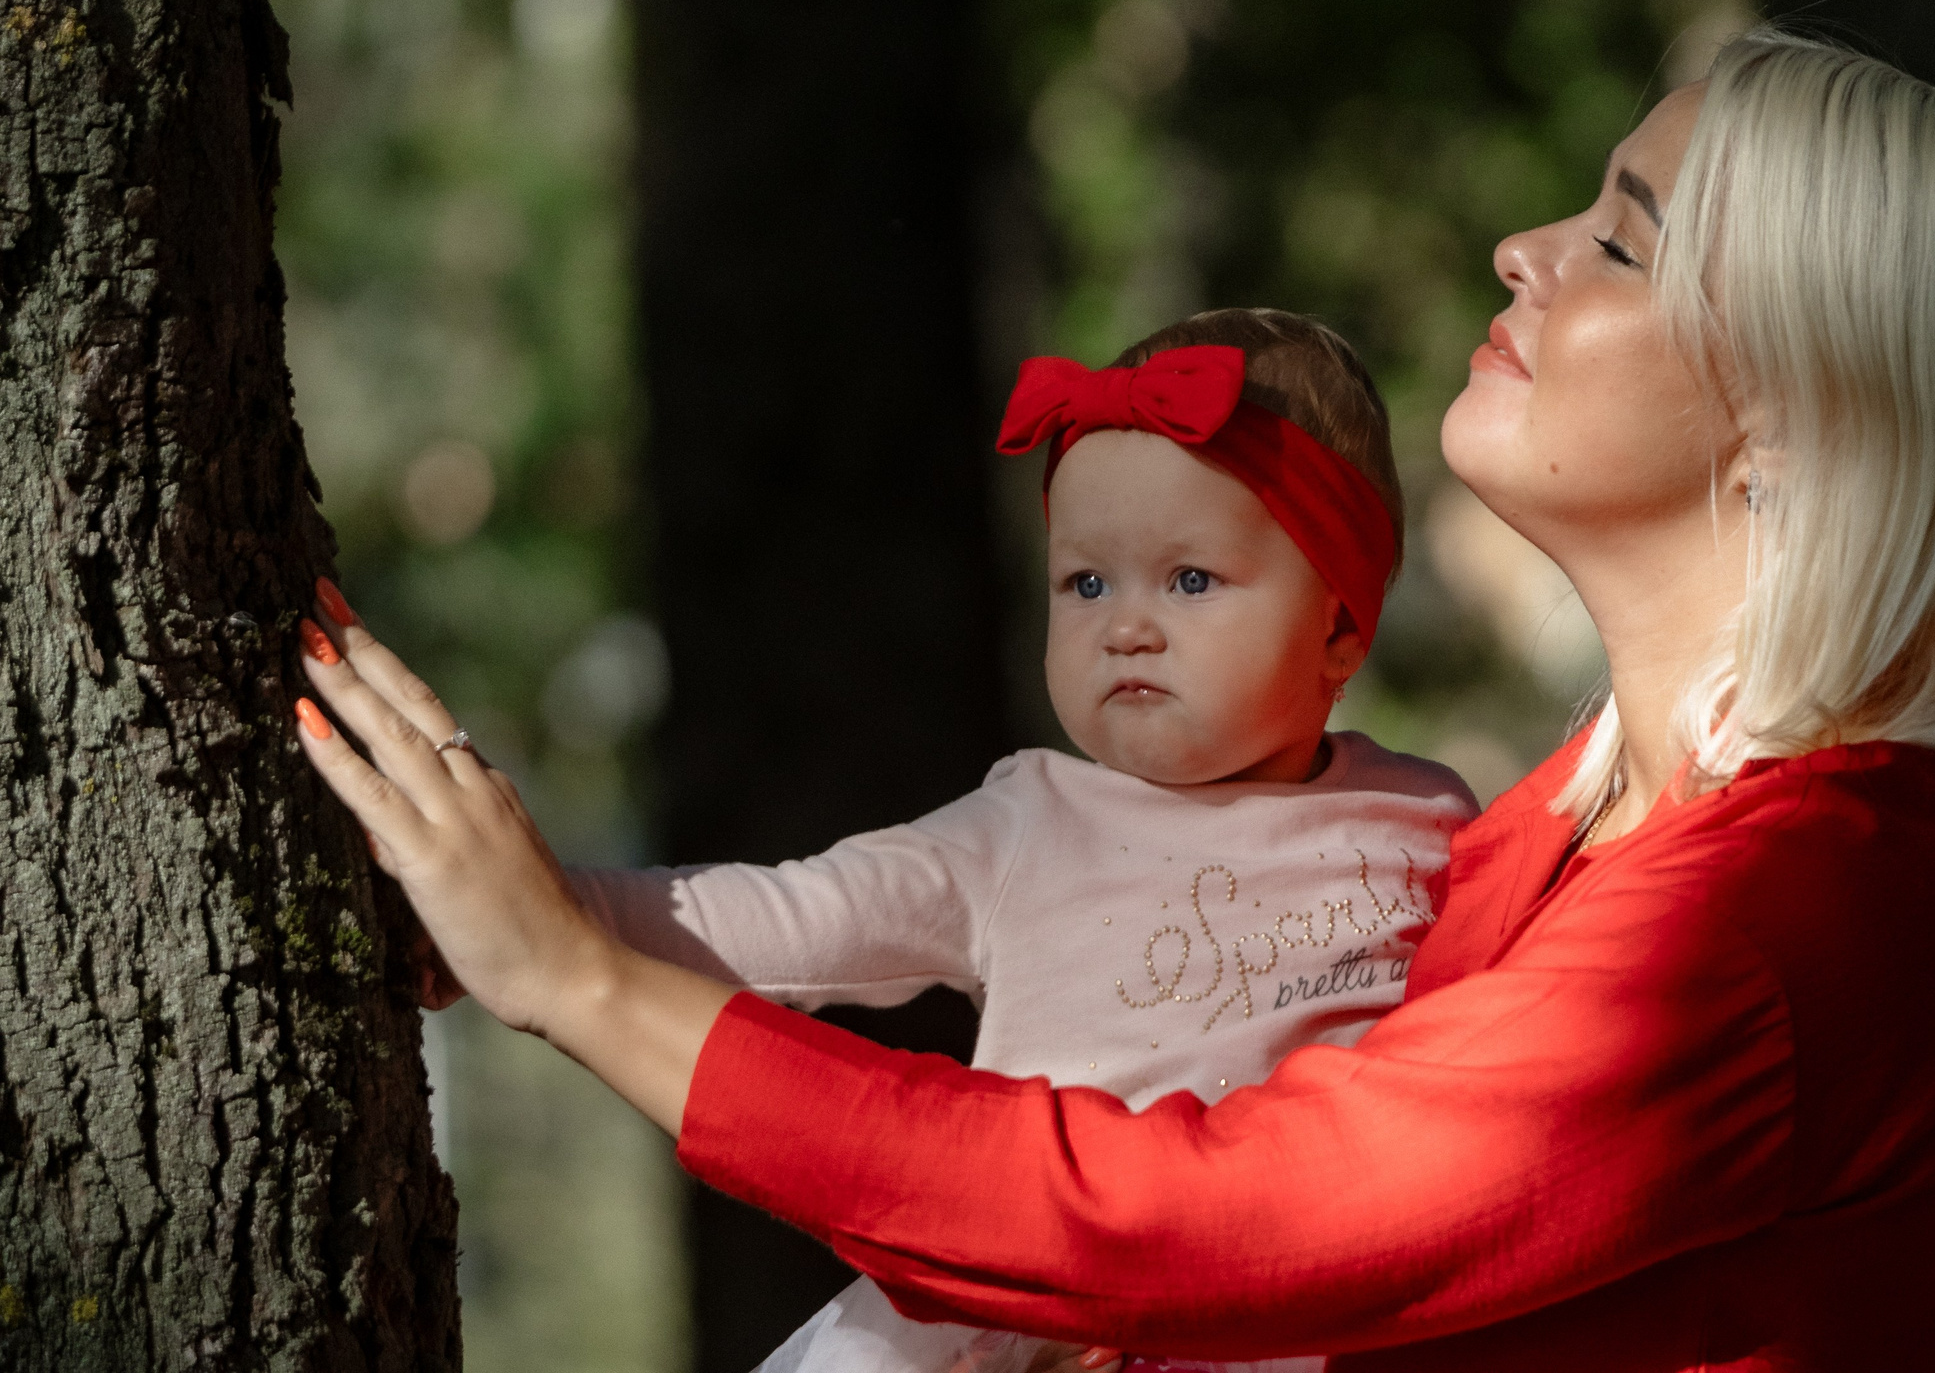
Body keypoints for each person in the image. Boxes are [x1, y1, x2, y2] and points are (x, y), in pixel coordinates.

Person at [295, 27, 1935, 1372]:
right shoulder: (1541, 832)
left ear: (1793, 413)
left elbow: (1206, 1215)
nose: (1523, 250)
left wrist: (580, 977)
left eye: (1621, 242)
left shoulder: (1808, 906)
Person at [307, 310, 1478, 1373]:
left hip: (1276, 1310)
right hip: (1008, 1297)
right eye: (1082, 583)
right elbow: (785, 923)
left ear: (1337, 622)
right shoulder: (1029, 824)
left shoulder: (1425, 823)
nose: (1125, 626)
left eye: (1188, 578)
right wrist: (537, 915)